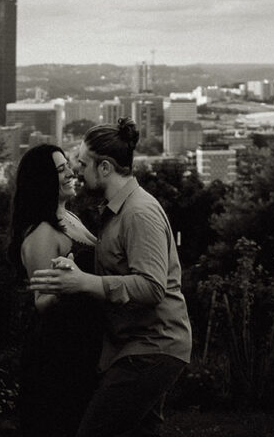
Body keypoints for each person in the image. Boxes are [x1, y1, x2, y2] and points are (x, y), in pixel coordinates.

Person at [29, 118, 192, 437]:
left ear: (104, 168)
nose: (75, 169)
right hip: (136, 346)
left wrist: (83, 282)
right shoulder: (117, 211)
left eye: (82, 161)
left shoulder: (138, 213)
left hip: (152, 347)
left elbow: (152, 286)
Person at [8, 143, 103, 437]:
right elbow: (42, 301)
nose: (71, 173)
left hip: (83, 343)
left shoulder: (68, 217)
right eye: (61, 170)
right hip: (59, 355)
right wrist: (67, 280)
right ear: (43, 181)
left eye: (68, 167)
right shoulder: (42, 234)